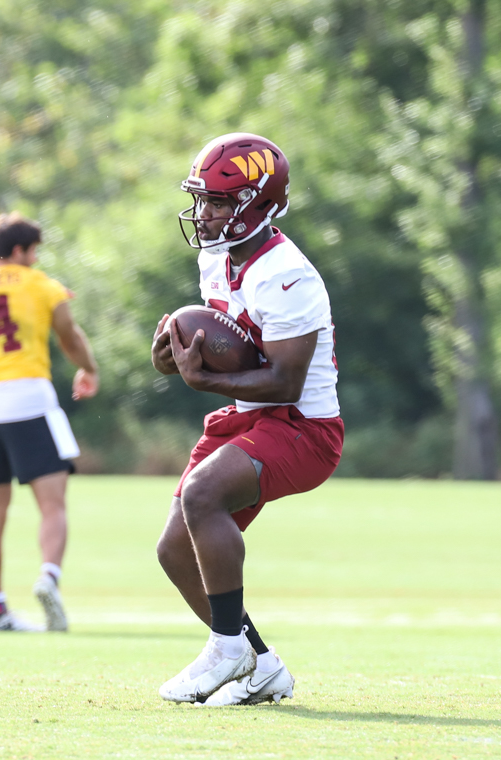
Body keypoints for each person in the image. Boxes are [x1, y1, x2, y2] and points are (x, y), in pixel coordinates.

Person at [151, 133, 343, 705]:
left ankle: (227, 650)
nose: (203, 213)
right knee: (173, 550)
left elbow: (284, 381)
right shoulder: (216, 259)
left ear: (258, 204)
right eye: (201, 199)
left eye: (217, 201)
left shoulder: (287, 275)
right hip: (248, 417)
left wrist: (204, 380)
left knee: (202, 495)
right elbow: (225, 348)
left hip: (303, 427)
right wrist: (170, 356)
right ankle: (260, 665)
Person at [0, 212, 99, 633]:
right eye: (33, 251)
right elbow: (68, 336)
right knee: (52, 504)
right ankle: (48, 576)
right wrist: (88, 369)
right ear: (19, 250)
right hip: (29, 397)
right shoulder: (42, 285)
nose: (35, 259)